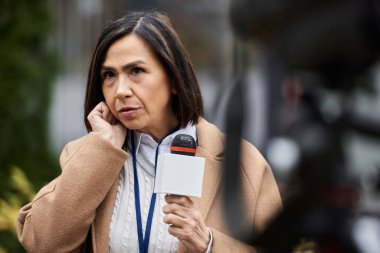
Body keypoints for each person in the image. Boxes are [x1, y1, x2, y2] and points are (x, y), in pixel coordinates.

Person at [17, 10, 282, 253]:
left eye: (136, 71)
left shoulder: (243, 162)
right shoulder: (88, 156)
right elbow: (40, 243)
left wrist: (209, 244)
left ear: (174, 80)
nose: (120, 90)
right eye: (109, 75)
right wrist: (102, 150)